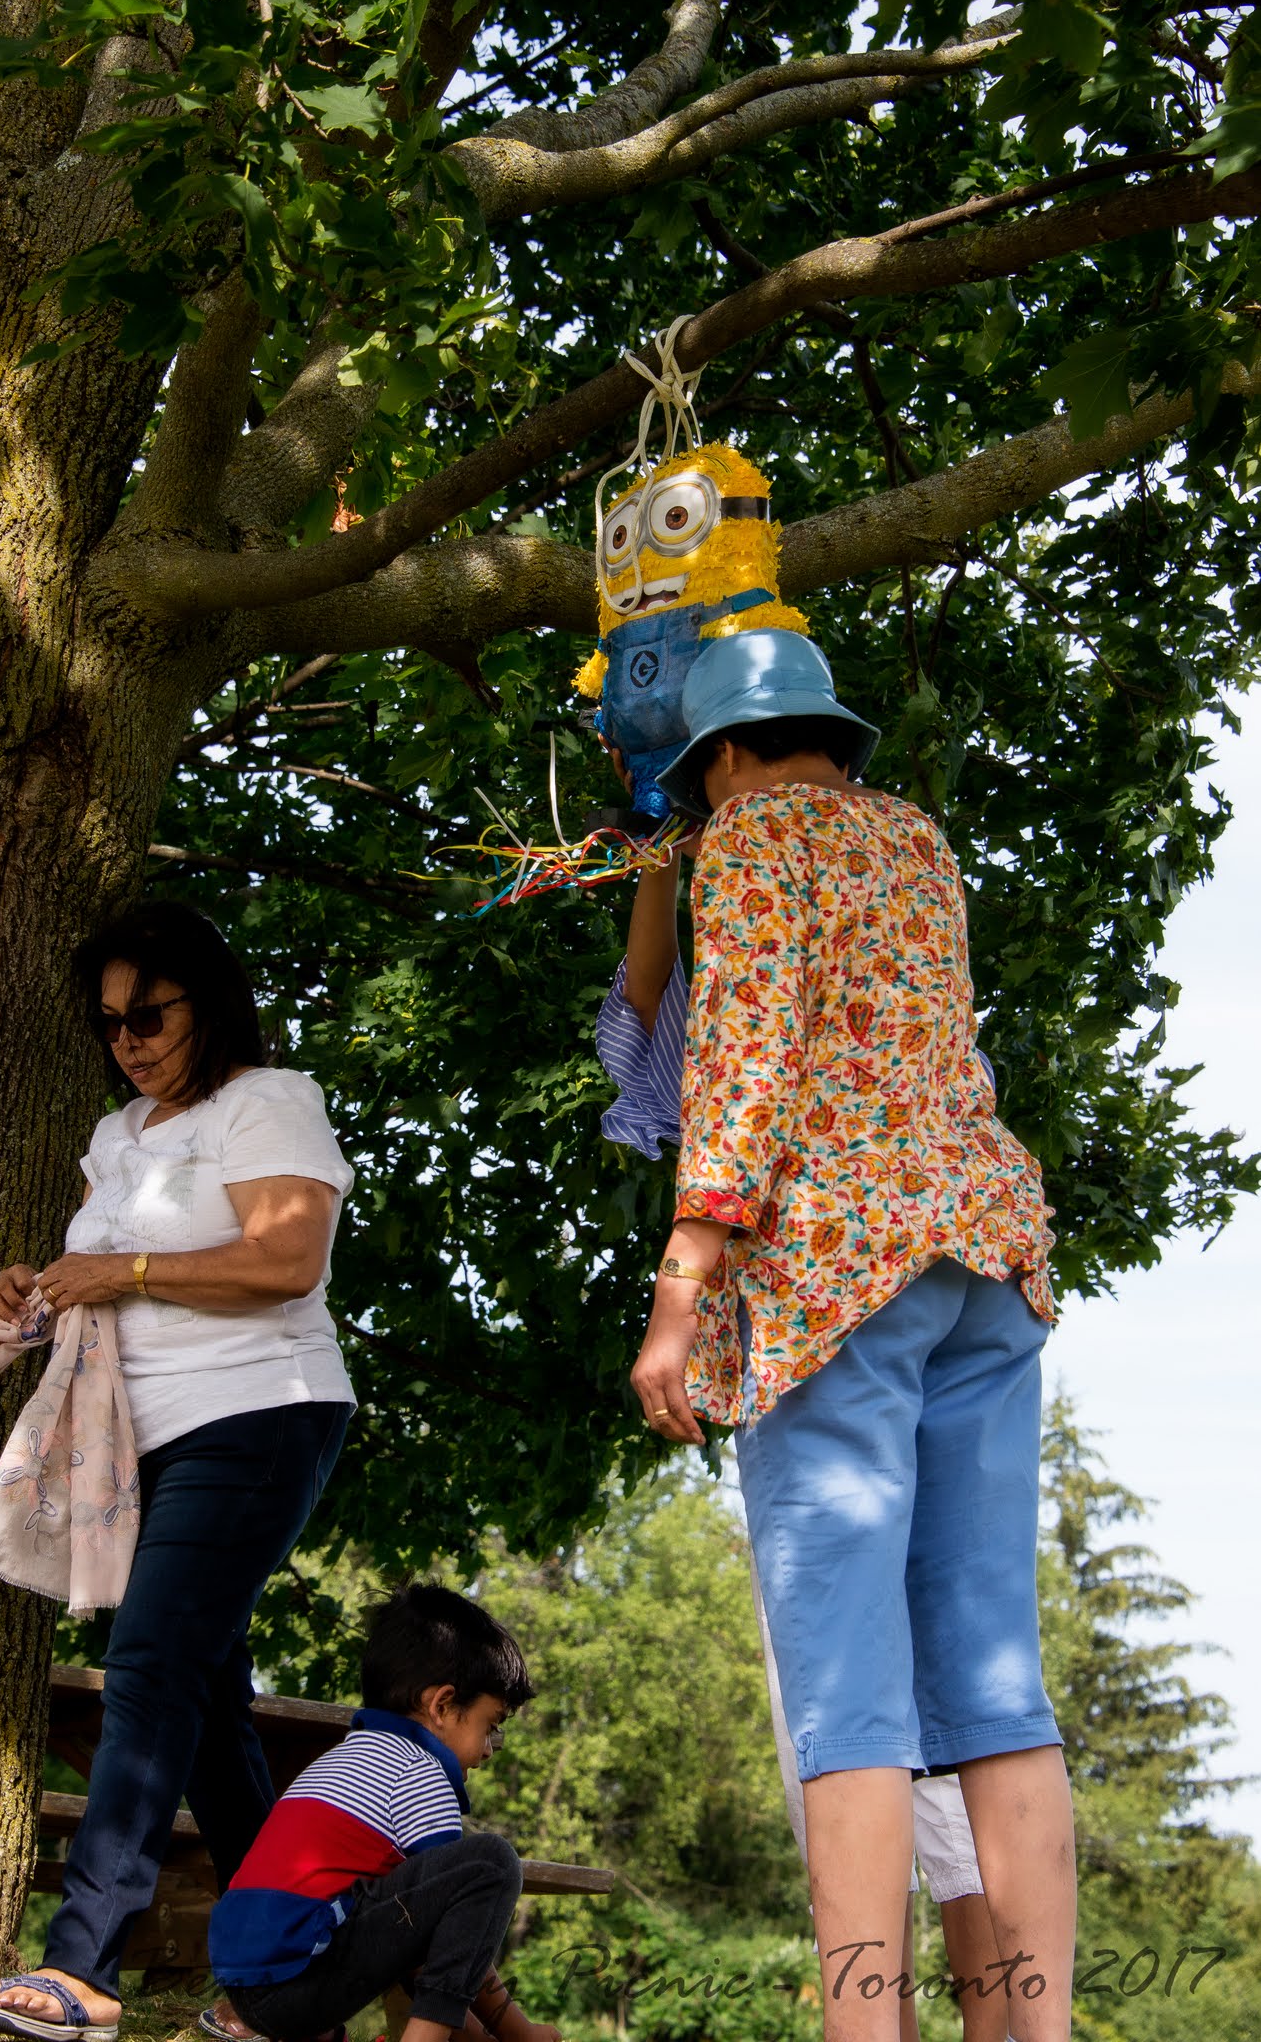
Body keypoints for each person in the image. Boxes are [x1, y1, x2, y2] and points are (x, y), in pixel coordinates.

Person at [627, 631, 1077, 2042]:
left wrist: (681, 1283)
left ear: (723, 757)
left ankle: (862, 2028)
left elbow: (743, 1052)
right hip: (982, 1248)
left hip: (835, 1269)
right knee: (994, 1679)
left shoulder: (750, 837)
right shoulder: (916, 840)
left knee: (846, 1693)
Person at [597, 831, 1010, 2042]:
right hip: (893, 1307)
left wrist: (676, 1297)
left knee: (899, 1728)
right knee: (885, 1724)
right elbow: (642, 1005)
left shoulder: (799, 949)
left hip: (829, 1311)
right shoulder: (846, 928)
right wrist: (658, 858)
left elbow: (714, 1072)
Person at [0, 902, 356, 2042]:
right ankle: (293, 1985)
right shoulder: (119, 1131)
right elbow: (103, 1275)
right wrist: (36, 1290)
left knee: (145, 1664)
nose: (127, 1040)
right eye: (109, 1023)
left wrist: (120, 1269)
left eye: (149, 1015)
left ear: (207, 1002)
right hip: (146, 1438)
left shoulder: (266, 1100)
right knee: (207, 1703)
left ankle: (81, 1968)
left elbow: (287, 1258)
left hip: (259, 1414)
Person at [208, 1582, 561, 2042]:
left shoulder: (344, 1758)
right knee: (492, 1864)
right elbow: (441, 1934)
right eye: (489, 1726)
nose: (489, 1750)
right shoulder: (419, 1770)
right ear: (442, 1705)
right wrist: (521, 2032)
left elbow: (413, 1936)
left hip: (250, 1987)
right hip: (295, 1985)